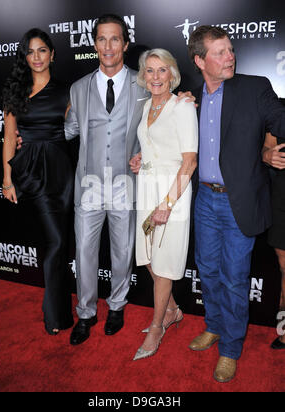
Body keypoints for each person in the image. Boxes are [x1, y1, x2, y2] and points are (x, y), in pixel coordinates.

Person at [187, 25, 285, 382]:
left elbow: (280, 119)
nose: (230, 57)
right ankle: (214, 326)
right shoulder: (191, 99)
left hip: (238, 203)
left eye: (230, 50)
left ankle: (230, 347)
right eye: (220, 52)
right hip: (204, 201)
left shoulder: (255, 87)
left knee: (234, 278)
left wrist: (268, 149)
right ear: (200, 61)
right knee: (208, 271)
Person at [64, 14, 150, 346]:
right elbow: (69, 130)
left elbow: (156, 125)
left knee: (122, 249)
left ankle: (117, 306)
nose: (108, 46)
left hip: (126, 182)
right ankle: (85, 313)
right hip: (87, 184)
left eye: (115, 39)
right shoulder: (79, 87)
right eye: (102, 39)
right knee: (84, 251)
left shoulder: (143, 84)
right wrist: (31, 134)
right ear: (95, 44)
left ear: (125, 44)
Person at [2, 28, 74, 336]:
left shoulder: (67, 91)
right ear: (25, 57)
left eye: (42, 50)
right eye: (31, 52)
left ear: (52, 54)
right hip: (31, 171)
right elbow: (8, 137)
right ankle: (54, 314)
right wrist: (7, 179)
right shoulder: (14, 93)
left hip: (62, 170)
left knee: (60, 243)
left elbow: (81, 127)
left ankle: (59, 310)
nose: (37, 57)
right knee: (56, 242)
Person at [132, 49, 198, 361]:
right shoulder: (146, 105)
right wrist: (139, 157)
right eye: (150, 71)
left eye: (162, 70)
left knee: (164, 263)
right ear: (143, 76)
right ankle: (172, 309)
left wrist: (168, 204)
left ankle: (157, 325)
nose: (156, 77)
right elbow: (154, 145)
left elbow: (190, 160)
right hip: (146, 189)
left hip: (172, 192)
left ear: (172, 74)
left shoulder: (182, 106)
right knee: (146, 258)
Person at [262, 132, 285, 349]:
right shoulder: (279, 113)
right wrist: (268, 156)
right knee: (284, 265)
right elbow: (266, 149)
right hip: (282, 194)